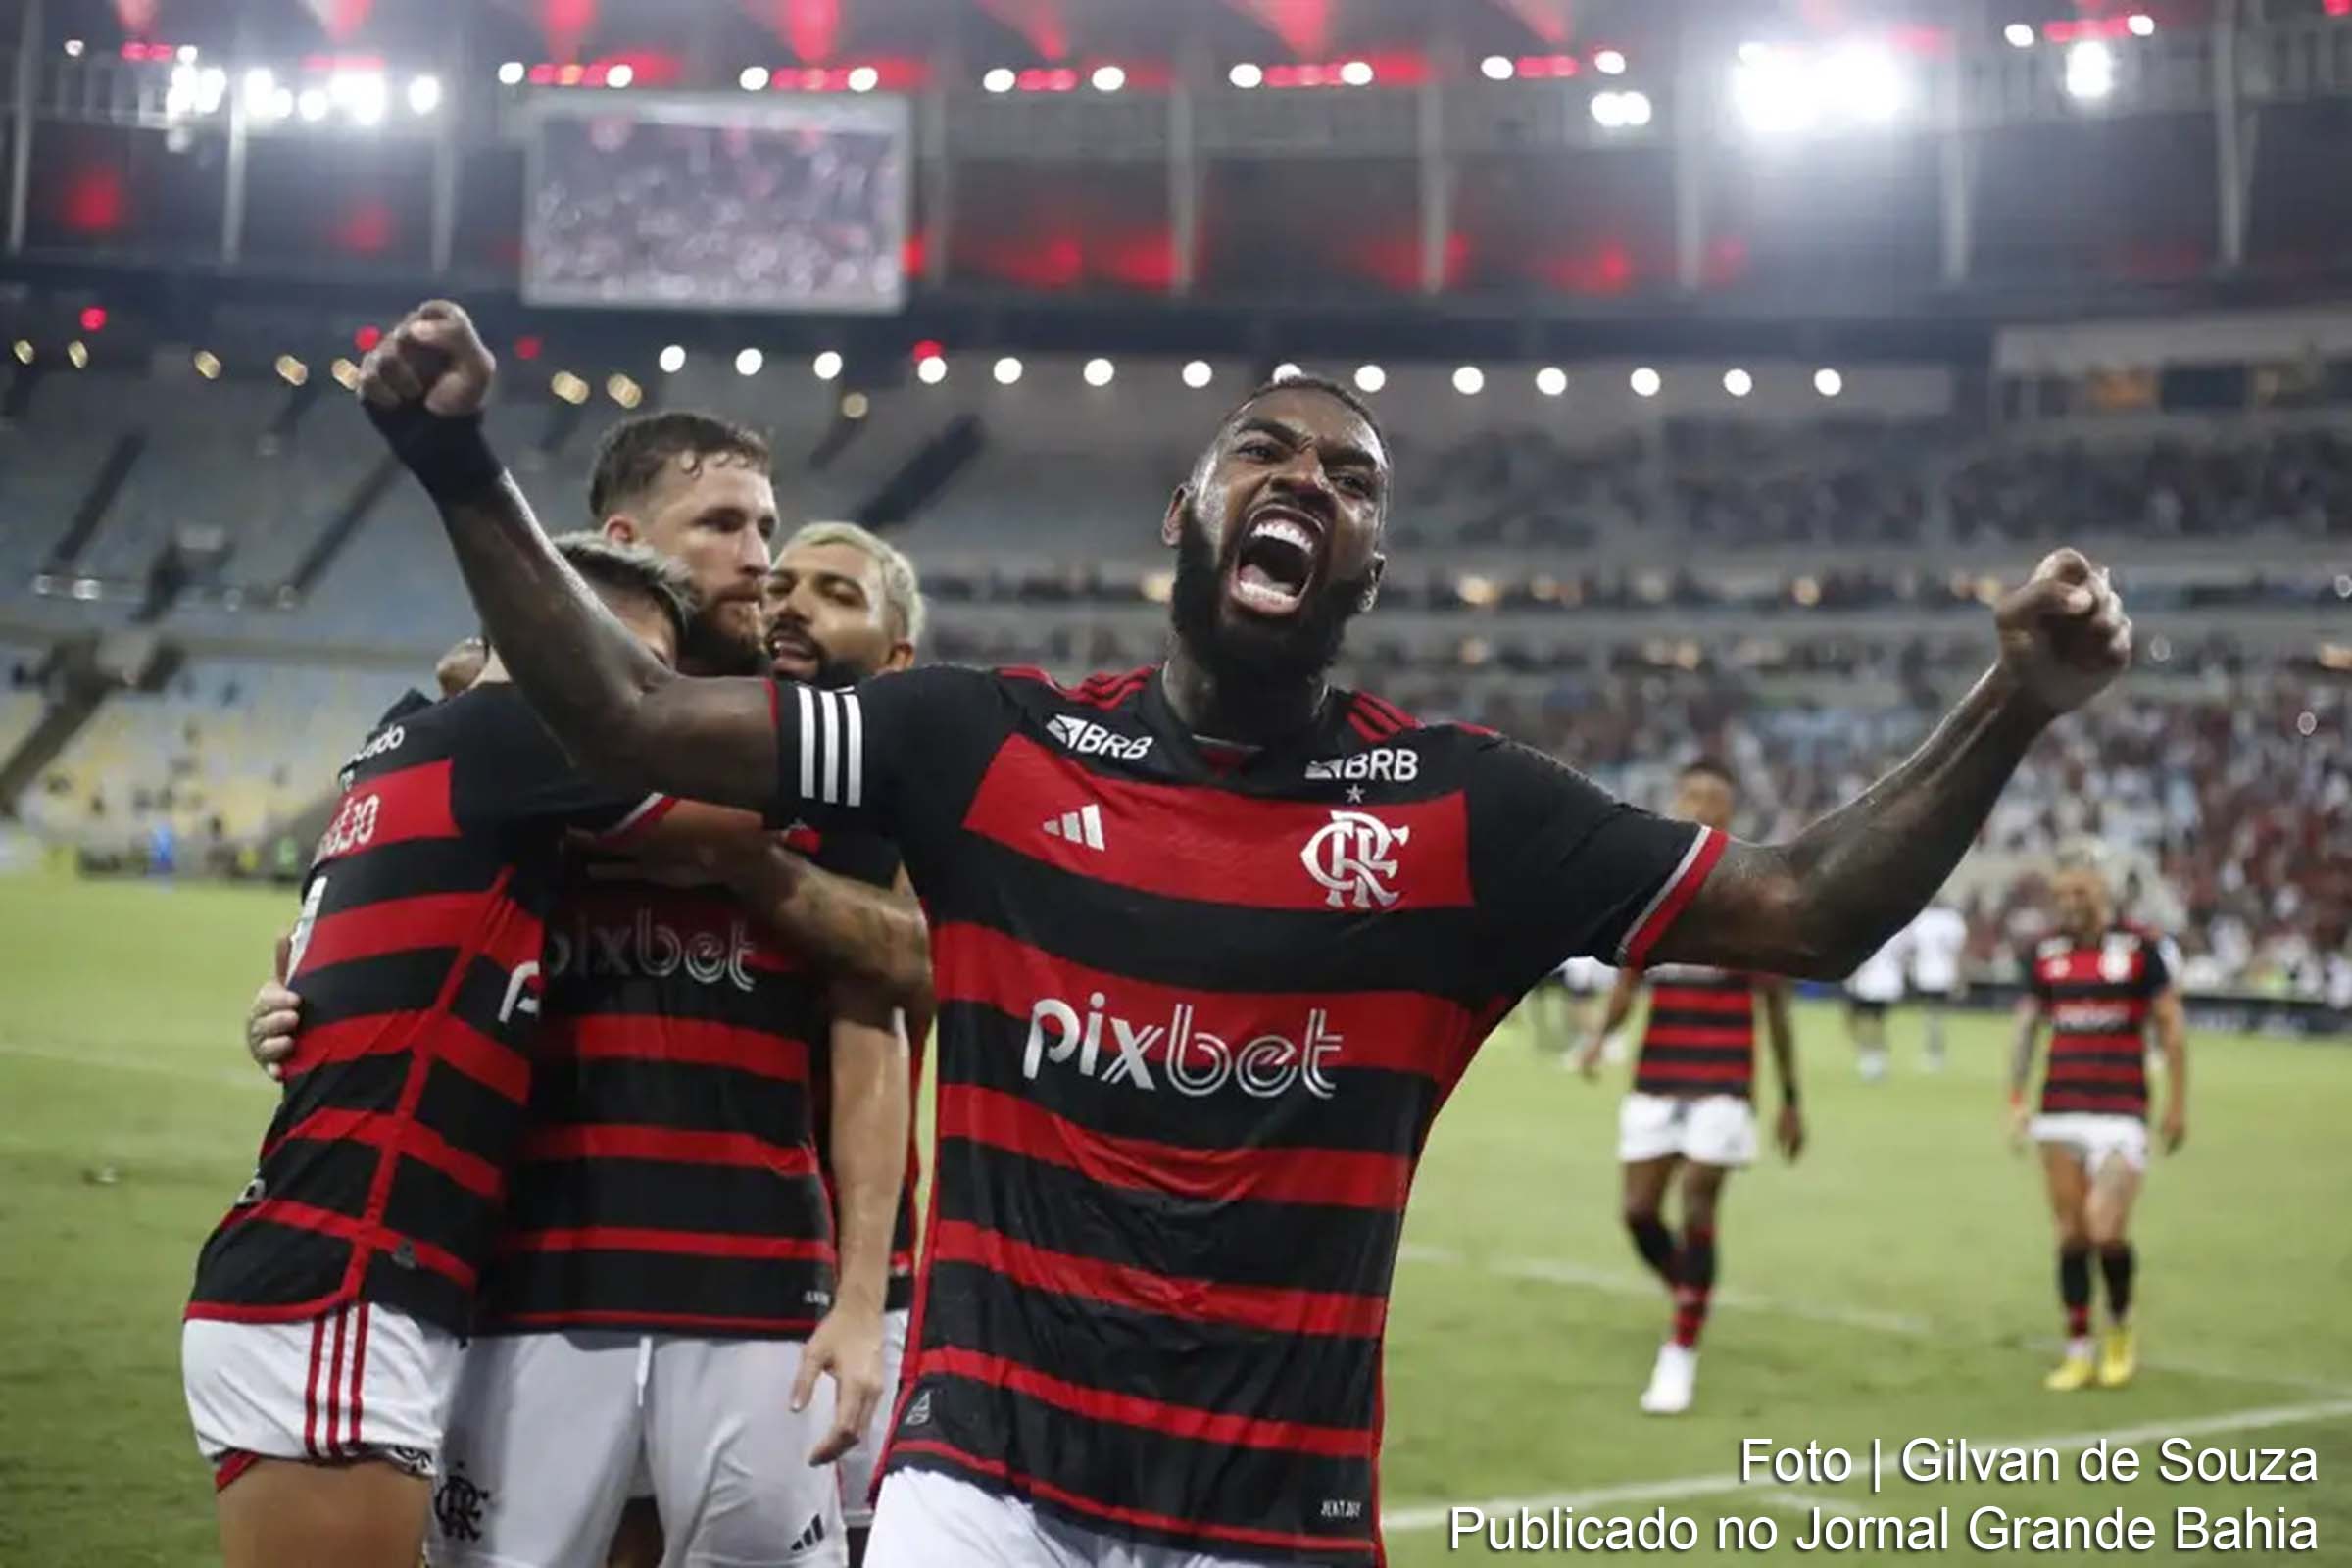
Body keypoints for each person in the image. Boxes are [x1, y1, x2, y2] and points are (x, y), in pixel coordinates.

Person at [357, 300, 2132, 1566]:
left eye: (1352, 480)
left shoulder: (1470, 814)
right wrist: (454, 466)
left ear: (1366, 568)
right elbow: (637, 725)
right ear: (1185, 518)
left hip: (1280, 1518)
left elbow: (1806, 911)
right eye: (1264, 453)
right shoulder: (987, 743)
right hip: (981, 1494)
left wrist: (2014, 703)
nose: (1307, 481)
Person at [247, 424, 928, 1568]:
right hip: (526, 1273)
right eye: (728, 526)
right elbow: (363, 923)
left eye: (768, 522)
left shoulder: (809, 747)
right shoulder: (473, 725)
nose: (761, 555)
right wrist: (289, 1010)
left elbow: (884, 1003)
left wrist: (861, 1298)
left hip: (759, 1280)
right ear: (621, 543)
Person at [183, 539, 704, 1568]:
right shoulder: (514, 738)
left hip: (326, 1262)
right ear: (543, 639)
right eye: (626, 663)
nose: (640, 699)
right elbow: (738, 816)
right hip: (346, 1272)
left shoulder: (414, 746)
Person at [1572, 760, 1802, 1416]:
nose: (1700, 806)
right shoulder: (1651, 899)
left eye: (1713, 799)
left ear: (1730, 817)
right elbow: (1627, 988)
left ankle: (1679, 1354)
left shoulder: (1755, 905)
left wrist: (1790, 1099)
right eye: (1691, 796)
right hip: (1659, 1073)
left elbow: (1777, 1010)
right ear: (1675, 804)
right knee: (1639, 1213)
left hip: (1725, 1077)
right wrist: (1597, 1038)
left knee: (1699, 1196)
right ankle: (1689, 1291)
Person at [2009, 851, 2187, 1393]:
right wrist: (2015, 1099)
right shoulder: (2044, 953)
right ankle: (2078, 1349)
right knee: (2070, 1234)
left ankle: (2121, 1327)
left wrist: (2177, 1103)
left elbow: (2171, 1026)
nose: (2069, 904)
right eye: (2062, 894)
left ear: (2102, 892)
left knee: (2105, 1226)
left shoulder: (2140, 949)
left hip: (2121, 1111)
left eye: (2079, 894)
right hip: (2059, 1109)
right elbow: (2026, 1028)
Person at [1903, 899, 1971, 1070]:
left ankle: (1933, 1052)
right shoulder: (1952, 920)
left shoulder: (1922, 919)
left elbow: (1911, 949)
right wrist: (1961, 977)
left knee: (1930, 1016)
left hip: (1926, 974)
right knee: (1937, 1016)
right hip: (1945, 974)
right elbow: (1959, 951)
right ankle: (1936, 1052)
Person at [1844, 926, 1907, 1081]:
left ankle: (1871, 1059)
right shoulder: (1897, 928)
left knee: (1864, 1022)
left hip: (1870, 983)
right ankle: (1876, 1059)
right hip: (1886, 983)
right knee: (1874, 1023)